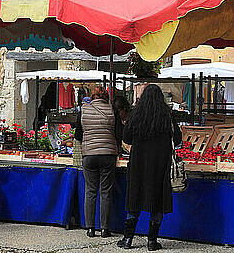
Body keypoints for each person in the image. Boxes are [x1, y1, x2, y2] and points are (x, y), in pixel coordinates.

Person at [117, 84, 182, 251]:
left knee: (134, 199)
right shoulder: (167, 115)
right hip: (160, 164)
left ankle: (127, 239)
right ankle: (152, 242)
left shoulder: (136, 114)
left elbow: (127, 138)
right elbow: (178, 139)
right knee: (158, 200)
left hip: (139, 163)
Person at [74, 86, 118, 239]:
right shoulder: (112, 110)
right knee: (105, 192)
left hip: (89, 155)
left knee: (90, 191)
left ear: (91, 97)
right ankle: (105, 229)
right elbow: (118, 133)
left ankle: (90, 228)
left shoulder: (83, 110)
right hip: (108, 155)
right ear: (106, 96)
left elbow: (78, 135)